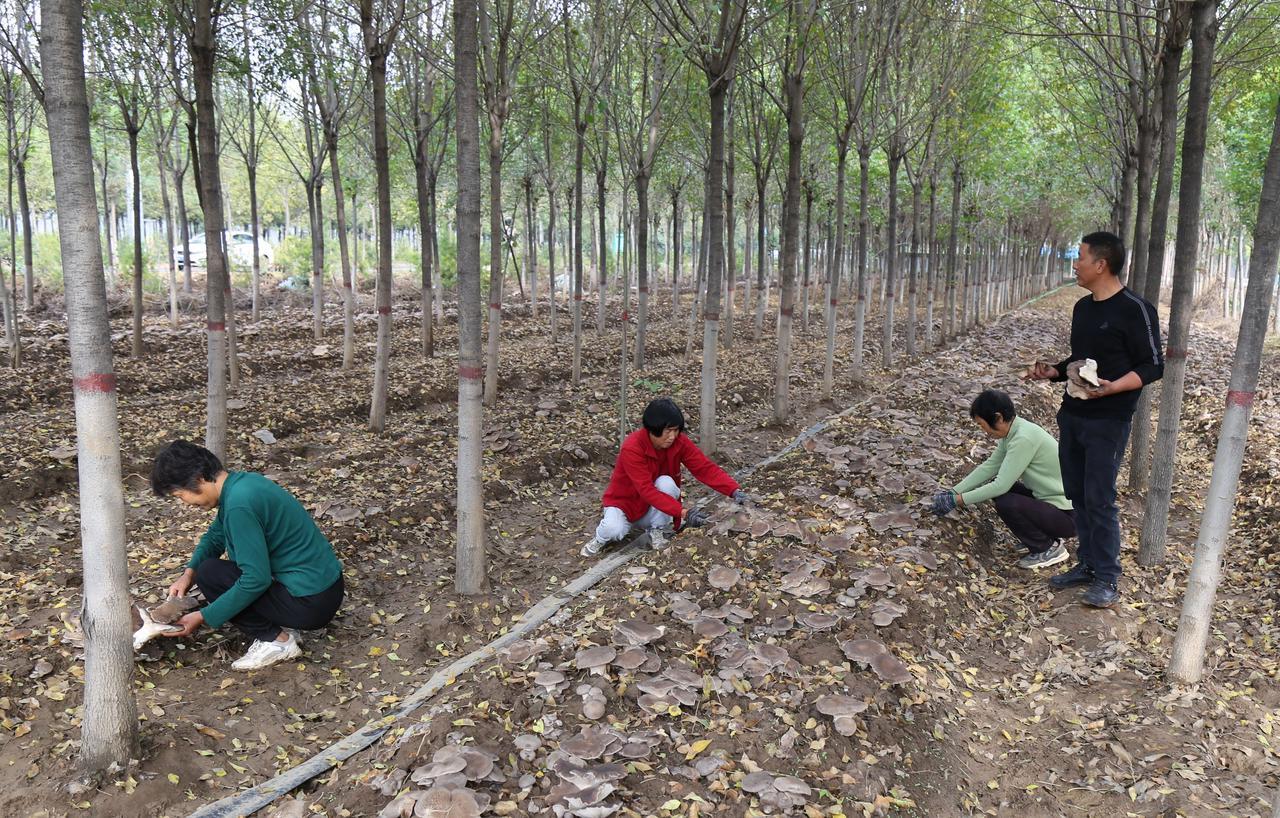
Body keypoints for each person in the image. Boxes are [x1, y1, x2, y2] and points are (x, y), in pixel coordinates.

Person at [1026, 230, 1164, 608]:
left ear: (1101, 264)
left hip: (1109, 419)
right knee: (1078, 493)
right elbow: (1079, 359)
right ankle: (1087, 564)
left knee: (1100, 498)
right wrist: (1052, 372)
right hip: (1073, 413)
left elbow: (1153, 366)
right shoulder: (1083, 308)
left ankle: (1107, 576)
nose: (1075, 264)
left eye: (1080, 257)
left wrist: (1114, 387)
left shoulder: (1135, 309)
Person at [151, 440, 345, 670]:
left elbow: (256, 579)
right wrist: (188, 574)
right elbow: (215, 536)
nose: (185, 503)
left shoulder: (238, 505)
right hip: (324, 588)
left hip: (310, 602)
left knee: (212, 575)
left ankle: (277, 641)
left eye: (180, 495)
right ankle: (282, 624)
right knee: (208, 570)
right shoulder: (242, 484)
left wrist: (204, 616)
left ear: (199, 479)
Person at [582, 398, 748, 556]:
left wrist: (733, 490)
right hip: (623, 504)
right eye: (668, 431)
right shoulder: (632, 448)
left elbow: (703, 468)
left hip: (650, 509)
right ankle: (599, 539)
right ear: (653, 429)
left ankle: (657, 529)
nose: (672, 436)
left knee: (666, 483)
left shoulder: (678, 443)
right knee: (613, 529)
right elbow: (646, 490)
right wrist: (683, 513)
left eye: (676, 430)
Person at [931, 390, 1076, 570]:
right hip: (1052, 503)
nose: (983, 431)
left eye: (982, 425)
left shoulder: (1023, 438)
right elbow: (990, 467)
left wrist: (956, 501)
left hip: (1070, 515)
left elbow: (1000, 485)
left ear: (998, 418)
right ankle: (1039, 537)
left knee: (1007, 501)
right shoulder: (1014, 431)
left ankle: (1047, 547)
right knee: (1007, 493)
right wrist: (953, 492)